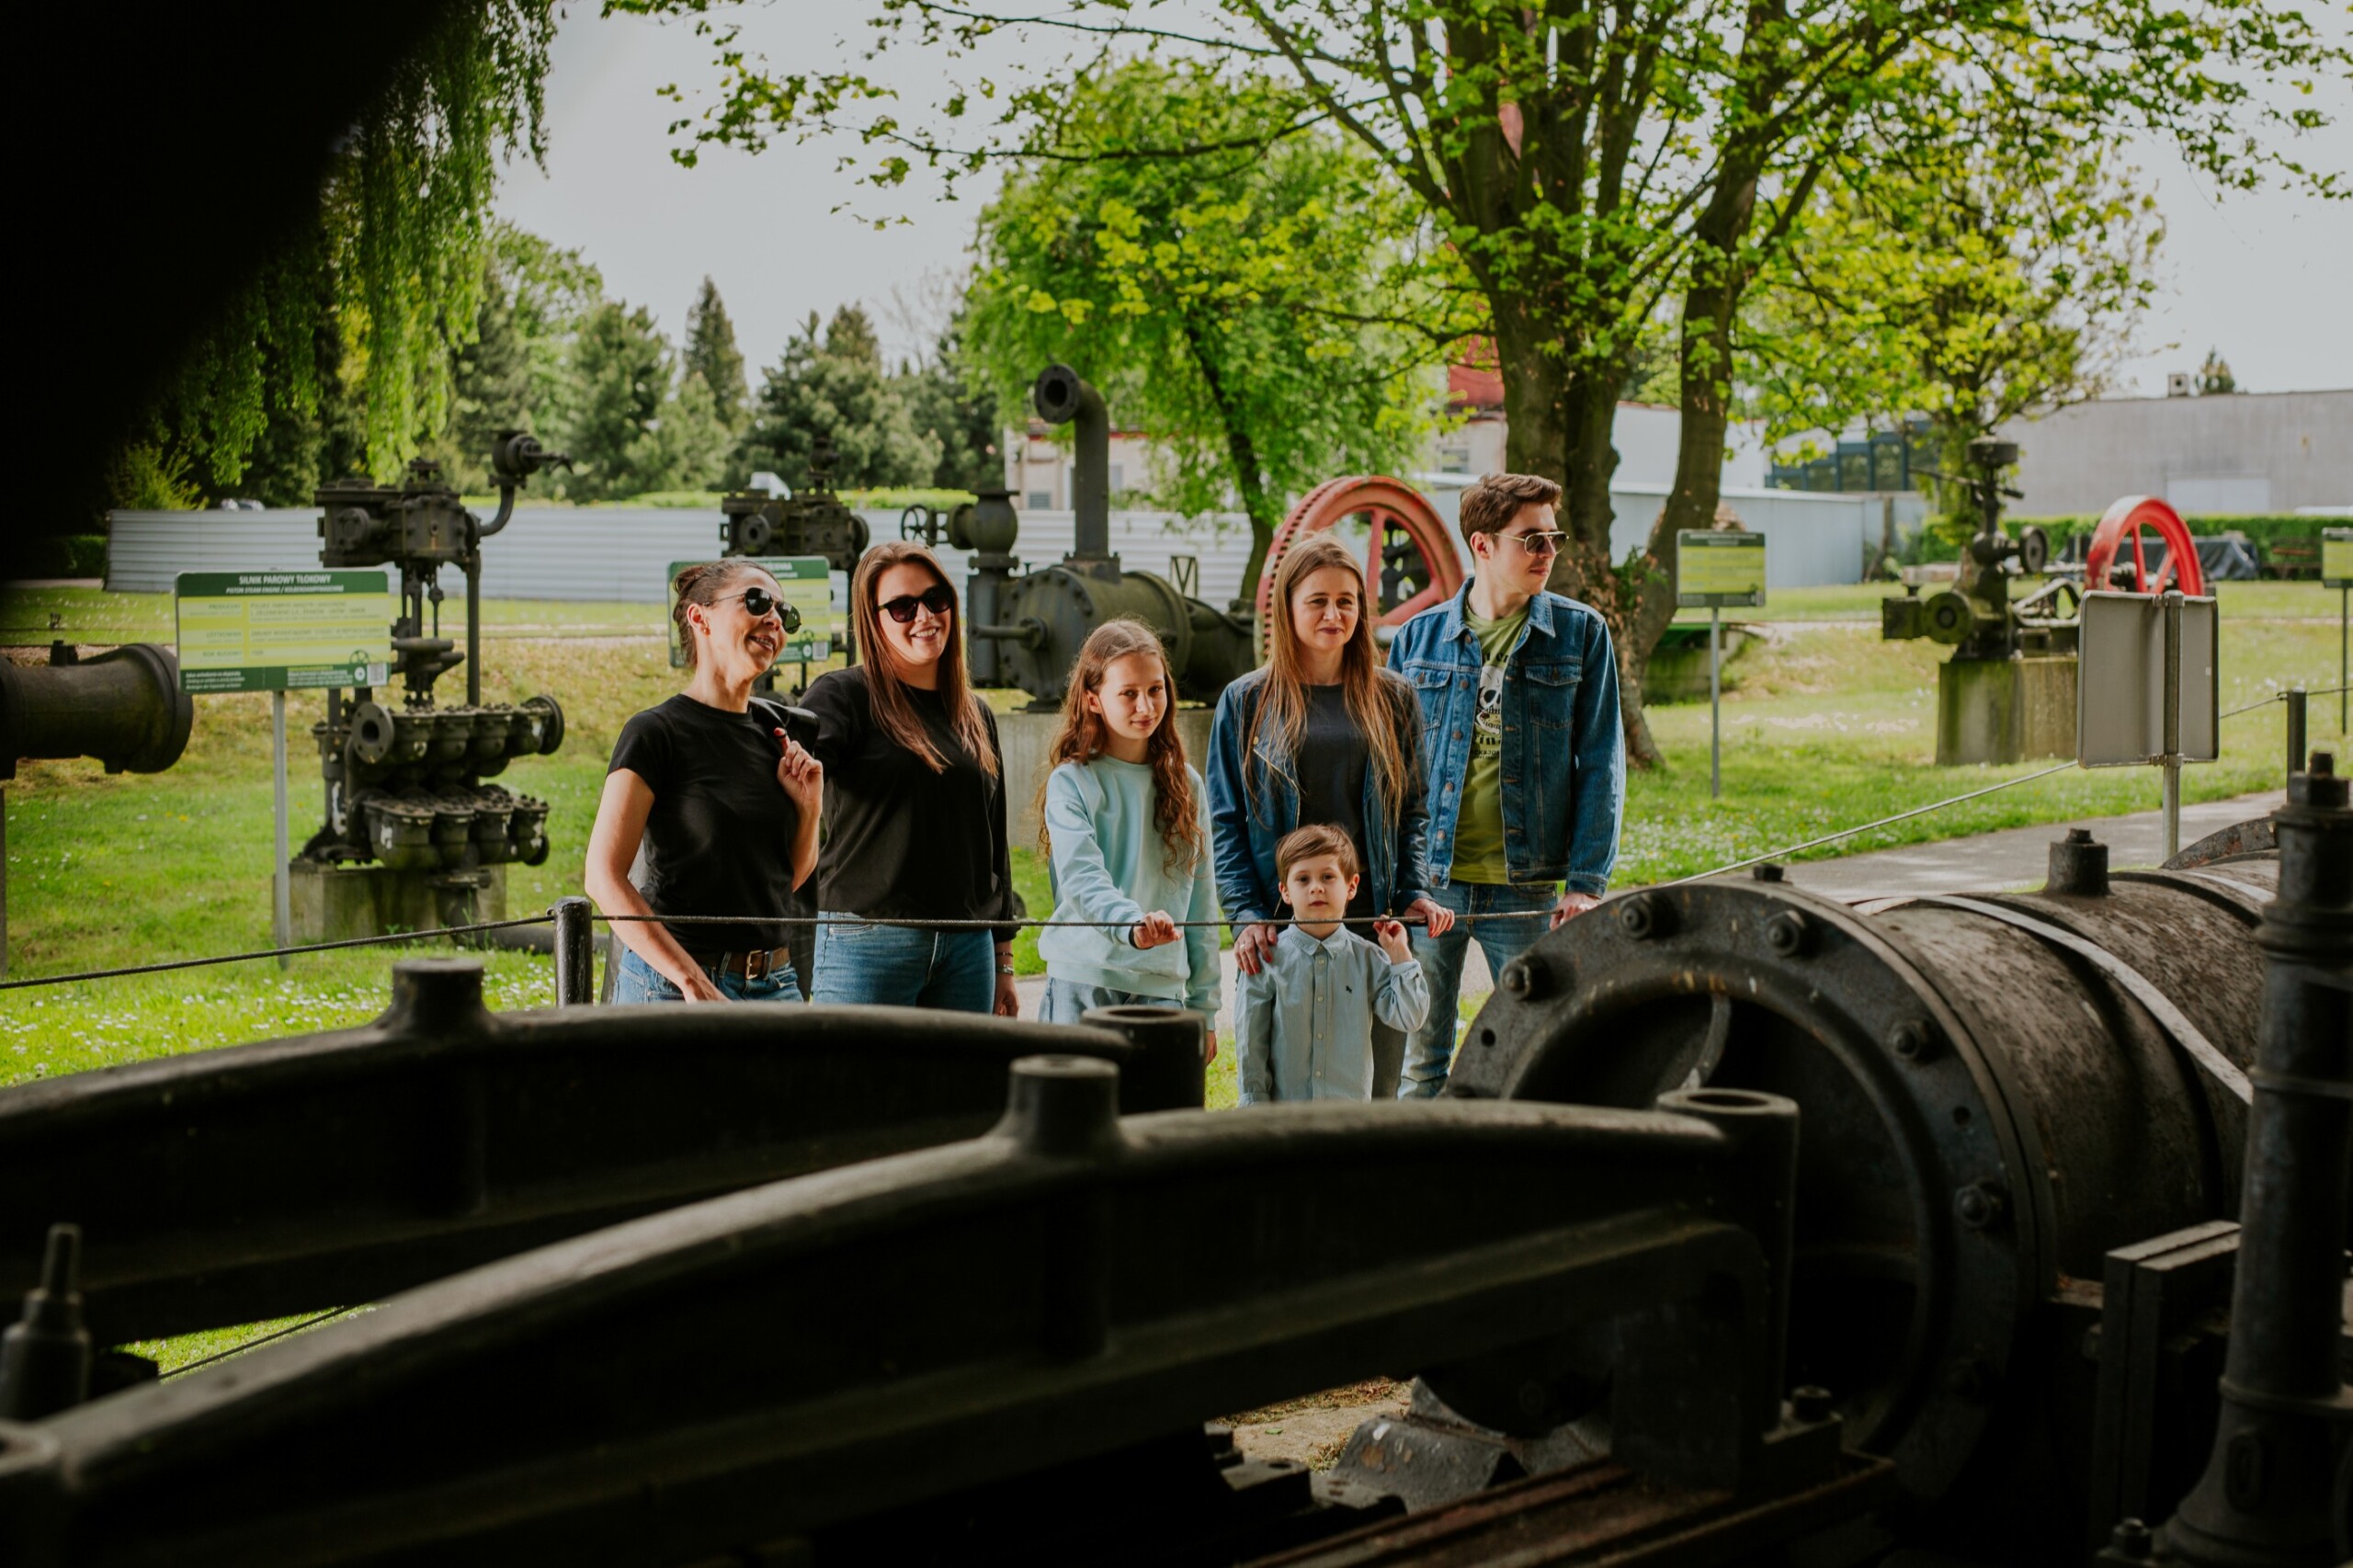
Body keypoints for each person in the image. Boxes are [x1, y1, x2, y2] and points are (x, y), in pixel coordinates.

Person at [1387, 472, 1625, 1096]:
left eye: (1554, 538)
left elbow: (1602, 764)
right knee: (1421, 1065)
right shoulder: (1417, 640)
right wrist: (1394, 879)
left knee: (1542, 1054)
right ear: (1483, 545)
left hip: (1528, 892)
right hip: (1431, 890)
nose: (1548, 552)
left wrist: (1586, 884)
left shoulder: (1580, 634)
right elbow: (1390, 772)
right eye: (1532, 539)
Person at [1208, 533, 1453, 1098]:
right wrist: (1246, 914)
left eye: (1347, 601)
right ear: (1287, 607)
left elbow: (1414, 810)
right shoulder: (1246, 701)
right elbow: (1225, 820)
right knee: (1281, 1087)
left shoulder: (1393, 697)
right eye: (1317, 600)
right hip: (1282, 925)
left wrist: (1415, 889)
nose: (1334, 614)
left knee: (1377, 1088)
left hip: (1373, 918)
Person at [585, 560, 824, 1003]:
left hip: (775, 983)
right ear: (700, 618)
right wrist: (689, 979)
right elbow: (603, 877)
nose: (774, 618)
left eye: (783, 612)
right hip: (673, 985)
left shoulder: (781, 736)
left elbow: (783, 881)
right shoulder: (655, 732)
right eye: (757, 601)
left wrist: (810, 809)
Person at [800, 540, 1019, 1016]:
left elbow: (993, 844)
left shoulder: (975, 713)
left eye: (935, 598)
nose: (924, 615)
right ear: (872, 620)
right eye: (902, 606)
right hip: (867, 939)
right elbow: (791, 783)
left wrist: (1003, 958)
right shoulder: (842, 696)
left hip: (968, 948)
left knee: (960, 1091)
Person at [1034, 620, 1221, 1052]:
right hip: (1083, 981)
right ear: (1092, 699)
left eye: (1156, 690)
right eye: (1128, 693)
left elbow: (1201, 904)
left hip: (1161, 990)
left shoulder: (1187, 785)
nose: (1145, 705)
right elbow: (1082, 879)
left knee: (1156, 1121)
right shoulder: (1072, 782)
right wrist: (1131, 927)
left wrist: (1206, 1008)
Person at [1234, 824, 1429, 1103]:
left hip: (1348, 1127)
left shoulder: (1370, 959)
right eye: (1302, 879)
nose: (1316, 887)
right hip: (1285, 1123)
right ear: (1285, 891)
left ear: (1351, 886)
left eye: (1327, 876)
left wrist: (1401, 957)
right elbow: (1250, 1046)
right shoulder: (1266, 960)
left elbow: (1410, 1017)